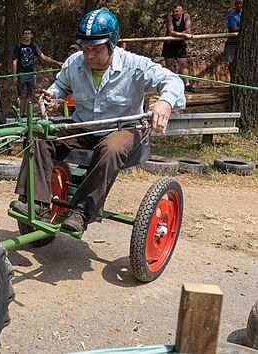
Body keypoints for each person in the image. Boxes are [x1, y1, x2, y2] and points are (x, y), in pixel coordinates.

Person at [11, 8, 185, 232]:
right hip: (83, 127)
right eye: (85, 48)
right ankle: (37, 205)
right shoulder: (74, 63)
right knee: (38, 134)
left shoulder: (135, 65)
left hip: (122, 130)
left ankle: (82, 210)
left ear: (112, 44)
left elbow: (173, 80)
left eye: (95, 49)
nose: (89, 55)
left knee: (111, 148)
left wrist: (165, 102)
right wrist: (54, 95)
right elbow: (61, 85)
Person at [12, 27, 63, 119]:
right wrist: (14, 75)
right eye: (25, 33)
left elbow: (43, 57)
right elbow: (15, 60)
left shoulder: (34, 46)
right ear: (23, 35)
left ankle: (26, 115)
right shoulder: (19, 46)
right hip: (21, 73)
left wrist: (56, 62)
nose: (27, 35)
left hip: (31, 74)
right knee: (22, 95)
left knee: (29, 95)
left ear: (31, 35)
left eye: (28, 33)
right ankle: (20, 115)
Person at [161, 5, 194, 92]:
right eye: (174, 11)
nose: (175, 13)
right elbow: (170, 32)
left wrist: (180, 34)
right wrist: (183, 34)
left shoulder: (186, 16)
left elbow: (188, 30)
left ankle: (187, 85)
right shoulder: (170, 17)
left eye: (177, 11)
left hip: (180, 45)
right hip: (169, 44)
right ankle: (168, 84)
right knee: (168, 65)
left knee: (183, 64)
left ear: (182, 11)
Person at [223, 0, 243, 79]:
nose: (239, 5)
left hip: (243, 42)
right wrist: (245, 28)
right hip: (233, 41)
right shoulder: (232, 16)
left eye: (240, 3)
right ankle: (233, 79)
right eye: (237, 4)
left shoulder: (249, 16)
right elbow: (233, 28)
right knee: (232, 61)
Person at [63, 43, 81, 115]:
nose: (73, 54)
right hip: (68, 104)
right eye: (71, 52)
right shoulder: (65, 67)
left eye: (75, 52)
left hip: (80, 104)